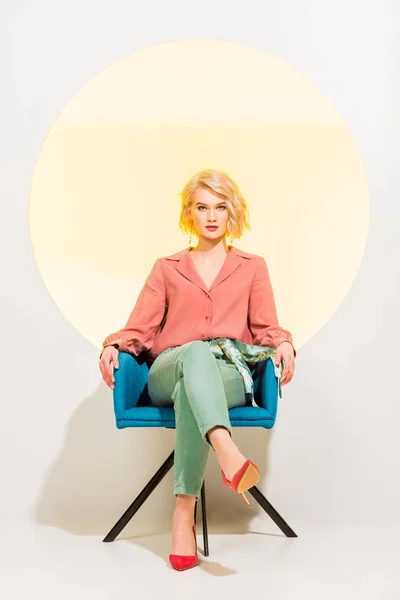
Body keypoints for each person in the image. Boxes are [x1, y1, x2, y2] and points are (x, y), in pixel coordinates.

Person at [99, 169, 296, 570]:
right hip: (169, 367)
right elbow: (140, 328)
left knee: (195, 385)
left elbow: (264, 326)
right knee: (192, 355)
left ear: (231, 213)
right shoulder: (167, 267)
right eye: (202, 207)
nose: (211, 216)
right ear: (189, 214)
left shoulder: (252, 267)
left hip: (227, 374)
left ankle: (181, 515)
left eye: (220, 207)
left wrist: (285, 341)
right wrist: (112, 345)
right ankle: (227, 452)